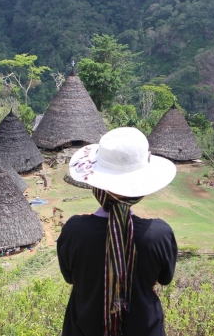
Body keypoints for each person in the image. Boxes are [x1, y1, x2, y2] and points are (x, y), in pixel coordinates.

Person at [57, 127, 178, 336]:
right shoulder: (158, 235)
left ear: (96, 187)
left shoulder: (74, 231)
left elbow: (70, 278)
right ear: (140, 190)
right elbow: (164, 279)